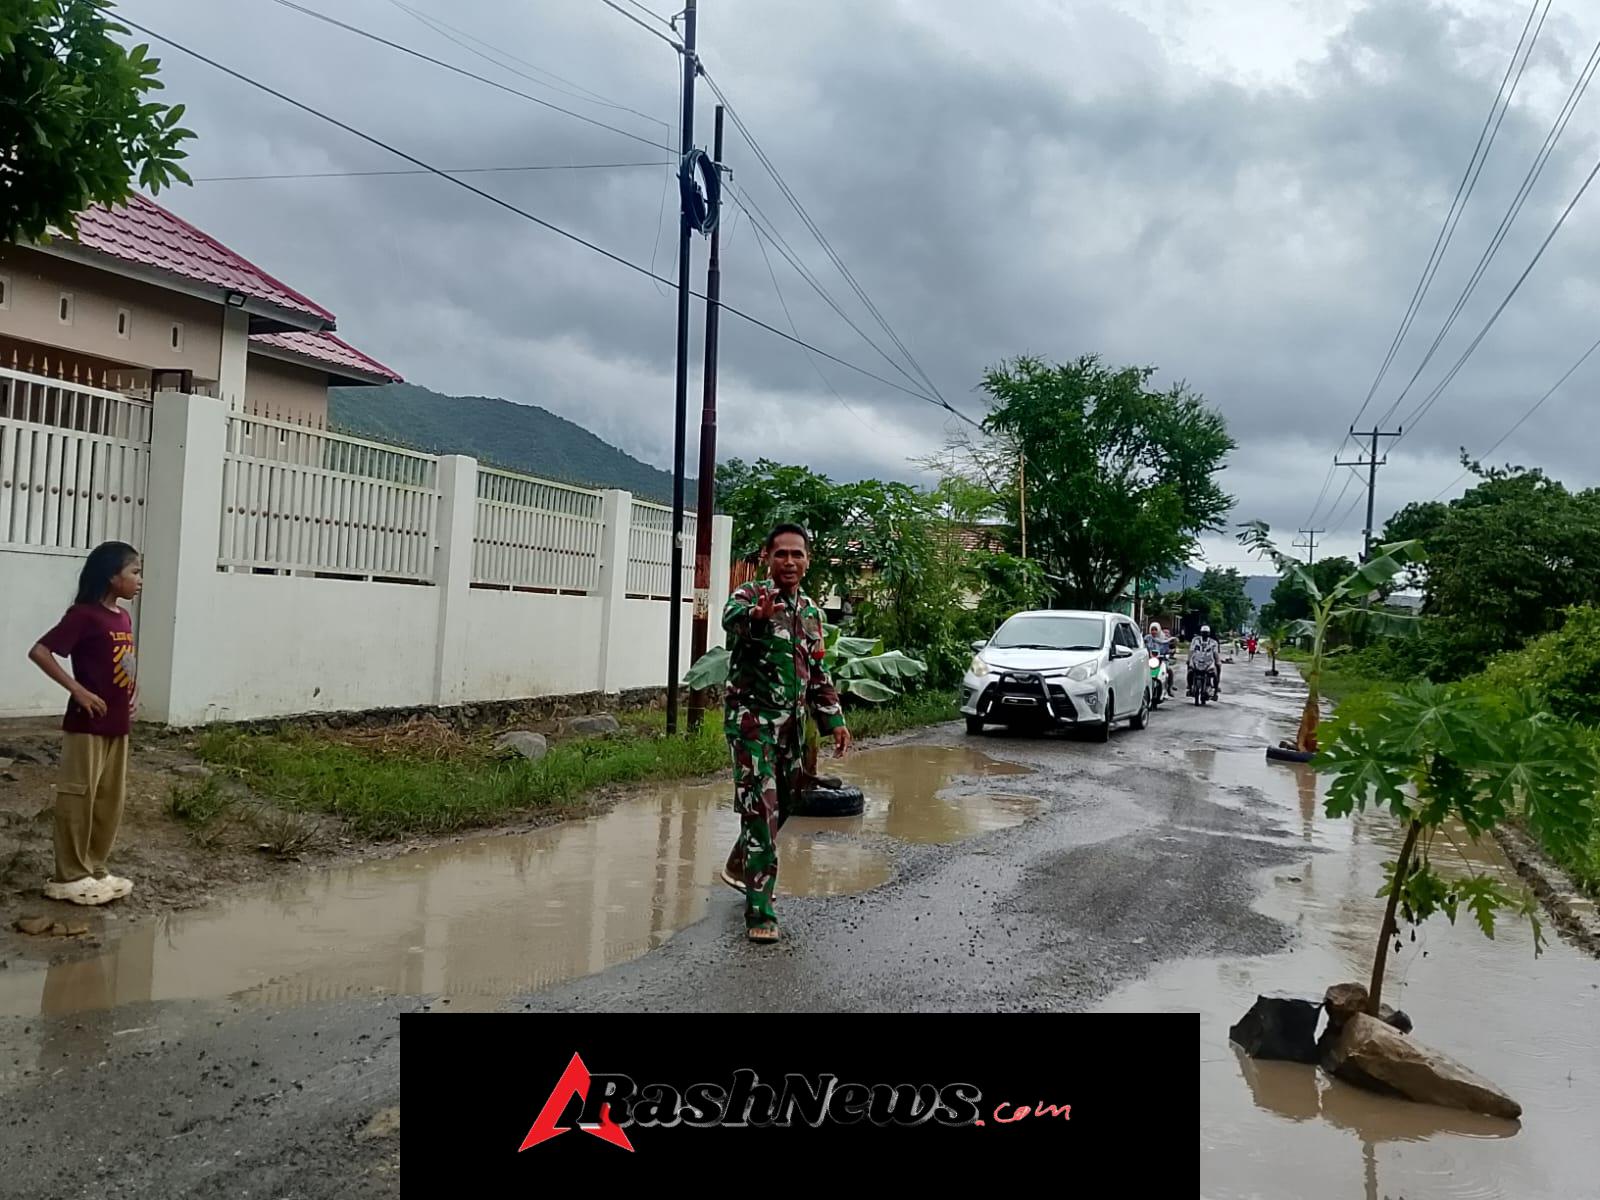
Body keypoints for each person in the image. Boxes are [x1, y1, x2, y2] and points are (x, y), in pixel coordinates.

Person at [717, 523, 851, 944]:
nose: (789, 562)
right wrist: (757, 617)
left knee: (787, 802)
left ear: (808, 561)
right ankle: (761, 911)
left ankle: (742, 860)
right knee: (761, 810)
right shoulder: (749, 597)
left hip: (791, 730)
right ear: (766, 557)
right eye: (781, 555)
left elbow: (817, 671)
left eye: (797, 554)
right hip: (752, 725)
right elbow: (731, 621)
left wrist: (834, 720)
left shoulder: (811, 612)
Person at [27, 542, 143, 907]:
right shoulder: (84, 615)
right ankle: (69, 875)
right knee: (79, 796)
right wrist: (77, 690)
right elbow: (40, 651)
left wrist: (132, 692)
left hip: (118, 723)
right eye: (134, 572)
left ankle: (95, 867)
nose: (140, 581)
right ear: (112, 576)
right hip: (87, 724)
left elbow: (122, 663)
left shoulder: (122, 618)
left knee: (110, 799)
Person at [1188, 624, 1221, 699]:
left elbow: (1215, 653)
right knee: (1190, 671)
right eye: (1203, 632)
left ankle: (1216, 690)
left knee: (1216, 671)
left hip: (1208, 661)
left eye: (1206, 633)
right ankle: (1189, 687)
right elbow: (1191, 651)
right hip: (1197, 660)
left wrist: (1218, 661)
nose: (1205, 634)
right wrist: (1189, 659)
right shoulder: (1195, 640)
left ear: (1209, 633)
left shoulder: (1213, 642)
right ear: (1201, 633)